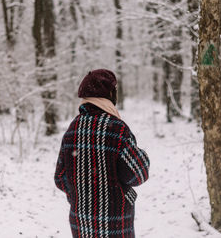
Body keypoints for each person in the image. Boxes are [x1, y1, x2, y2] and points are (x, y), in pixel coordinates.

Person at [54, 69, 150, 238]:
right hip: (115, 222)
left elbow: (60, 178)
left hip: (80, 221)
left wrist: (80, 197)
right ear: (111, 94)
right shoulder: (116, 129)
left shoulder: (72, 129)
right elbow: (138, 174)